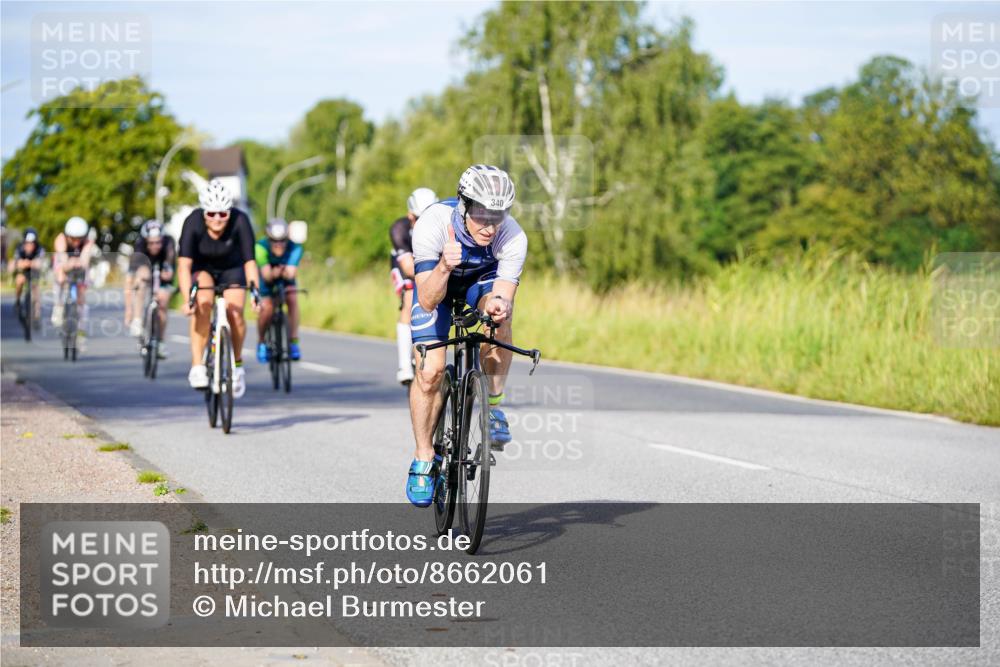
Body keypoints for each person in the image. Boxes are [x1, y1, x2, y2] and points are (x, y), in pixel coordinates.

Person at [404, 165, 526, 507]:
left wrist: (497, 306)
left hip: (479, 283)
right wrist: (444, 265)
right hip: (436, 285)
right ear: (464, 205)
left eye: (497, 216)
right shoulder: (432, 223)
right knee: (430, 372)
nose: (489, 226)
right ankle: (424, 456)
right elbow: (427, 299)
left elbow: (500, 293)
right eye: (481, 215)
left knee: (500, 317)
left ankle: (495, 406)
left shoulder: (512, 236)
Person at [177, 179, 260, 397]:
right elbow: (184, 266)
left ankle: (237, 366)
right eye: (211, 214)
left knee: (235, 313)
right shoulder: (192, 222)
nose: (217, 220)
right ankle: (197, 366)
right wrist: (188, 299)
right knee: (203, 304)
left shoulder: (241, 221)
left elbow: (250, 263)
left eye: (222, 214)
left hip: (232, 269)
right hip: (202, 268)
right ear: (204, 213)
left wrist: (256, 293)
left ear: (229, 213)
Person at [390, 187, 438, 384]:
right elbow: (409, 268)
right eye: (419, 217)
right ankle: (403, 366)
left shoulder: (440, 225)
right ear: (410, 216)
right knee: (410, 297)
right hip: (406, 267)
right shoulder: (399, 229)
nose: (424, 223)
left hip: (431, 265)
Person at [124, 220, 176, 358]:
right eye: (151, 243)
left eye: (158, 242)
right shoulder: (139, 245)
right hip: (145, 267)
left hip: (162, 269)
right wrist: (129, 310)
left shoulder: (169, 243)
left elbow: (170, 264)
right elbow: (129, 282)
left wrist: (168, 271)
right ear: (146, 240)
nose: (155, 246)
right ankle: (138, 319)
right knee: (141, 279)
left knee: (163, 302)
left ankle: (161, 341)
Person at [255, 218, 304, 363]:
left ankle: (294, 341)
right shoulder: (260, 247)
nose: (279, 245)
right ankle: (262, 341)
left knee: (292, 298)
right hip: (267, 280)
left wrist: (281, 272)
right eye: (275, 241)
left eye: (282, 241)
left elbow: (291, 273)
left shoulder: (295, 248)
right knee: (267, 308)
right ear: (268, 239)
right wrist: (275, 272)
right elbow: (267, 275)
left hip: (285, 278)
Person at [52, 216, 97, 352]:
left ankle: (81, 334)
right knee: (60, 277)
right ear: (67, 236)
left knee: (82, 296)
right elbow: (62, 259)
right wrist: (69, 264)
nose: (77, 242)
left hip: (79, 267)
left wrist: (80, 263)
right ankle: (58, 306)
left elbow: (85, 260)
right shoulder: (60, 239)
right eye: (73, 238)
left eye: (80, 238)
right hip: (64, 264)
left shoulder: (88, 242)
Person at [9, 227, 46, 327]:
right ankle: (17, 300)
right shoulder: (19, 248)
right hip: (23, 271)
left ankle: (37, 315)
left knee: (36, 289)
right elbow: (14, 263)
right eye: (27, 243)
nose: (30, 246)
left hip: (34, 272)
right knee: (19, 280)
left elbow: (41, 263)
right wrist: (21, 264)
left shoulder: (40, 248)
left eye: (32, 243)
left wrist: (30, 263)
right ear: (24, 242)